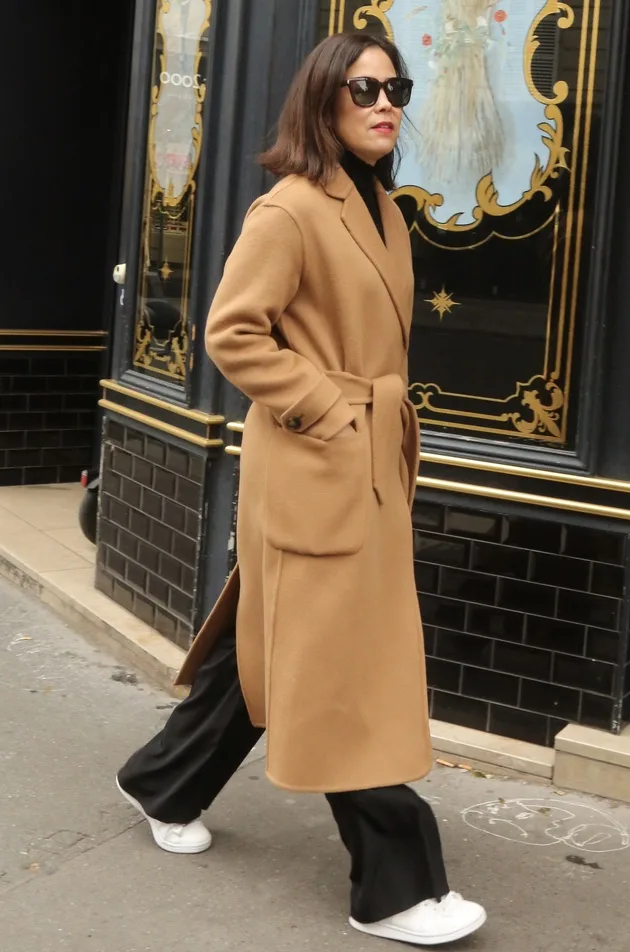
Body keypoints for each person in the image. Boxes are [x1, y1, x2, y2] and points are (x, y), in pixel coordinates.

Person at [114, 32, 487, 947]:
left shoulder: (384, 208)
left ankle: (163, 776)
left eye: (395, 86)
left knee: (278, 646)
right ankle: (395, 885)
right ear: (320, 101)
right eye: (363, 88)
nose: (383, 102)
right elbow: (233, 333)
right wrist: (328, 410)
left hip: (366, 464)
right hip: (321, 459)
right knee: (337, 668)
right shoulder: (287, 210)